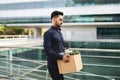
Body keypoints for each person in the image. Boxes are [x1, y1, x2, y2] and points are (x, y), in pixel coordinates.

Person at [43, 11, 70, 80]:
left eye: (62, 20)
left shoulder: (59, 32)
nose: (62, 22)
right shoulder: (48, 33)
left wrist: (67, 52)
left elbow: (60, 47)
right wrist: (61, 57)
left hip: (60, 64)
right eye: (60, 19)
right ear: (54, 19)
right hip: (53, 65)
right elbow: (47, 51)